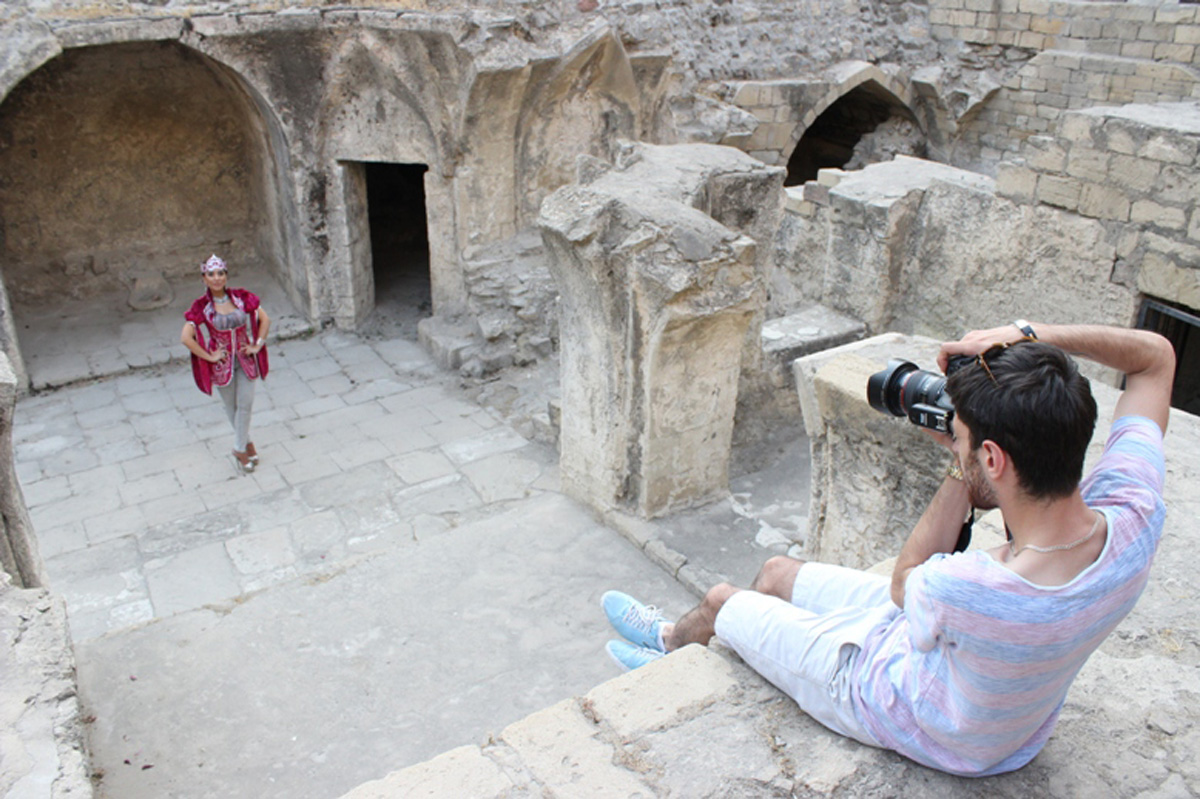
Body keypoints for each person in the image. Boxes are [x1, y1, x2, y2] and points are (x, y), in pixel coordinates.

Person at [601, 321, 1175, 777]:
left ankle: (670, 644)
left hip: (903, 708)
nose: (957, 442)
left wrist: (960, 466)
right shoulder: (1134, 516)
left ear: (993, 459)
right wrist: (1027, 341)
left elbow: (905, 584)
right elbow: (1155, 358)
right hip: (996, 709)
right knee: (776, 573)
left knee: (723, 601)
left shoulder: (974, 587)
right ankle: (707, 640)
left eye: (963, 438)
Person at [181, 254, 271, 473]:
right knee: (232, 407)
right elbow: (185, 338)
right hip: (221, 365)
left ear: (226, 275)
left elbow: (265, 319)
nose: (216, 278)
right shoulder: (202, 307)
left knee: (246, 404)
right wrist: (209, 356)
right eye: (211, 274)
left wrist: (257, 345)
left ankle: (238, 449)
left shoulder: (241, 298)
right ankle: (247, 444)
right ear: (204, 278)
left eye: (220, 273)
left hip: (245, 359)